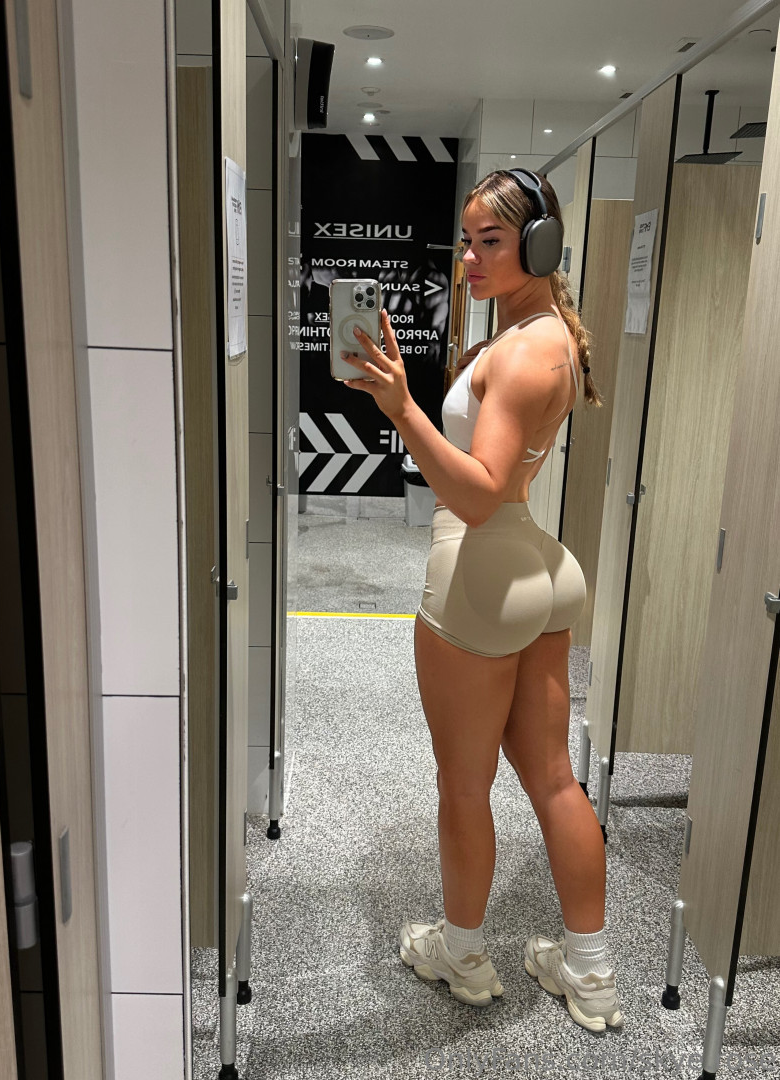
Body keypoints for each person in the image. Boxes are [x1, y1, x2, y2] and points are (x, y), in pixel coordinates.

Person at [340, 169, 622, 1033]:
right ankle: (589, 971)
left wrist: (402, 407)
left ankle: (461, 955)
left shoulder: (523, 352)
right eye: (466, 241)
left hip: (485, 573)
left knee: (464, 787)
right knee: (554, 778)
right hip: (539, 565)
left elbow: (477, 493)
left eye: (490, 242)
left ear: (540, 245)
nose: (469, 258)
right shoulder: (550, 334)